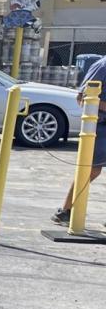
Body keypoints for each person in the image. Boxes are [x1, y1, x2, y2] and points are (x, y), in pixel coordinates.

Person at [52, 52, 106, 225]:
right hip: (99, 126)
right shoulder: (102, 66)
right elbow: (83, 97)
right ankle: (65, 211)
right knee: (90, 170)